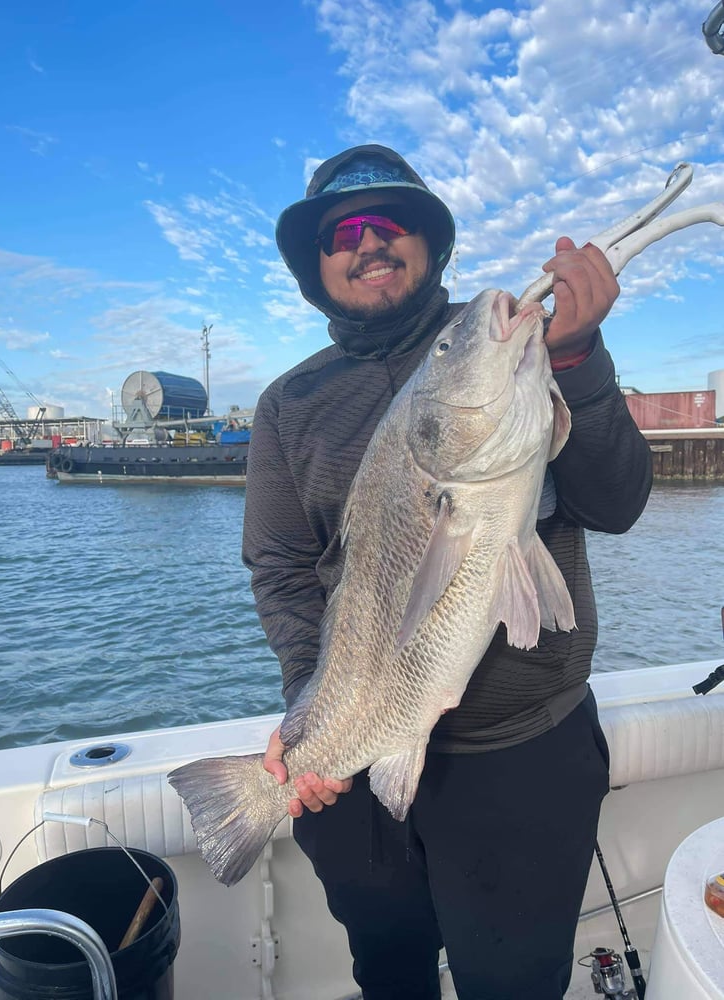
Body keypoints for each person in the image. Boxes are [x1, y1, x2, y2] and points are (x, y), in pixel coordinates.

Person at [242, 144, 652, 1000]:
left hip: (525, 754)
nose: (369, 241)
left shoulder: (512, 344)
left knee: (512, 984)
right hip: (357, 766)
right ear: (316, 267)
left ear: (429, 243)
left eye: (391, 222)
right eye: (342, 231)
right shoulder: (288, 403)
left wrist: (579, 358)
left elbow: (616, 504)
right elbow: (281, 569)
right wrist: (310, 709)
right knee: (389, 975)